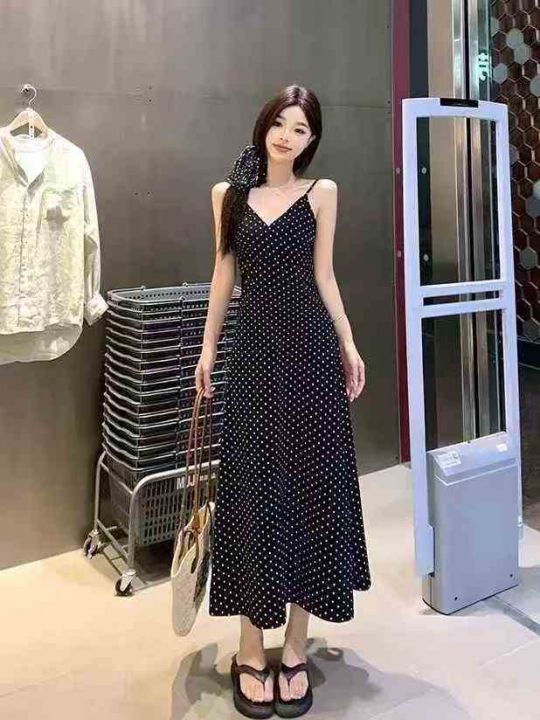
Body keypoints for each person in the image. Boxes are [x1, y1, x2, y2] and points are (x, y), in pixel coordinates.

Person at [195, 84, 372, 718]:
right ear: (263, 125)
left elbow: (325, 274)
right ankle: (250, 645)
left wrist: (348, 343)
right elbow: (223, 274)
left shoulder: (322, 193)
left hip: (312, 357)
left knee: (310, 492)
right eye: (280, 123)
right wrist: (208, 350)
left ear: (311, 139)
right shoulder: (228, 195)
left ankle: (295, 646)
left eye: (300, 129)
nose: (287, 137)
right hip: (252, 358)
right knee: (252, 493)